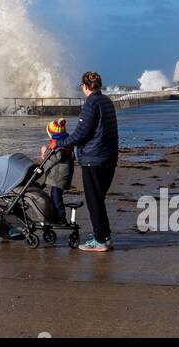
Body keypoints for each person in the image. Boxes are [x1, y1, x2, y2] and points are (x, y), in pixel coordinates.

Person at [65, 71, 119, 252]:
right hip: (109, 157)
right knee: (98, 199)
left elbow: (82, 132)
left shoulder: (91, 104)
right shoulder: (106, 101)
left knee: (94, 201)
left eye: (82, 85)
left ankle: (101, 240)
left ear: (84, 86)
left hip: (93, 160)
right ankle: (104, 236)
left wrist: (61, 143)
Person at [38, 118, 74, 220]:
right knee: (55, 194)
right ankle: (57, 214)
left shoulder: (59, 145)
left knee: (56, 195)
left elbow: (54, 158)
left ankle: (61, 216)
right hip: (61, 174)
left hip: (60, 176)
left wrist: (44, 153)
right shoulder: (64, 142)